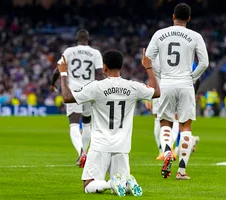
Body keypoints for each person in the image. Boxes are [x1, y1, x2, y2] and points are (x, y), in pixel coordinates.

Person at [58, 49, 160, 196]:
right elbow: (156, 92)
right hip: (122, 147)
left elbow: (67, 98)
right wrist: (148, 68)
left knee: (88, 185)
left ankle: (110, 183)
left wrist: (63, 73)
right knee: (119, 185)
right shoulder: (132, 86)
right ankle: (126, 184)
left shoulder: (96, 87)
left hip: (100, 145)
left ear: (104, 67)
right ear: (121, 67)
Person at [146, 3, 209, 180]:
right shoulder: (195, 36)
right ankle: (181, 171)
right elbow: (204, 63)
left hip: (166, 82)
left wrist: (160, 74)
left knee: (165, 123)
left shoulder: (159, 34)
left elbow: (148, 59)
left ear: (173, 17)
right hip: (185, 84)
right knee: (185, 126)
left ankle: (166, 152)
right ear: (189, 18)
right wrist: (192, 77)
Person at [50, 29, 104, 167]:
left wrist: (53, 83)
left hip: (73, 91)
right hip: (90, 90)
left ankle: (81, 153)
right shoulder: (95, 53)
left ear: (76, 39)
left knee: (74, 124)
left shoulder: (69, 51)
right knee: (87, 124)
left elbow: (58, 70)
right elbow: (99, 74)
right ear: (88, 38)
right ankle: (84, 154)